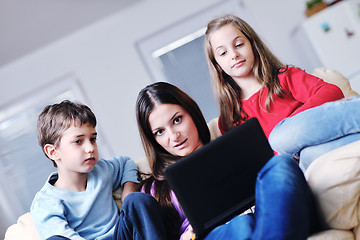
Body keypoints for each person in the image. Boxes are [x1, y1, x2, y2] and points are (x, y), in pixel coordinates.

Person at [130, 81, 325, 240]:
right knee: (241, 225)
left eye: (177, 120)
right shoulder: (153, 190)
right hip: (215, 235)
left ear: (192, 113)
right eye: (160, 132)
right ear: (153, 140)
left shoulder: (233, 147)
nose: (174, 136)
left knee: (281, 164)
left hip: (264, 213)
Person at [204, 14, 360, 171]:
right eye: (223, 53)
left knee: (279, 137)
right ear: (217, 64)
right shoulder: (229, 119)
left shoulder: (285, 77)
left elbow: (332, 92)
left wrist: (288, 125)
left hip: (321, 138)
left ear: (252, 44)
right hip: (302, 163)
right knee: (305, 154)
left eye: (238, 44)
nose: (233, 55)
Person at [30, 100, 140, 240]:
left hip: (123, 235)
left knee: (138, 200)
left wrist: (129, 189)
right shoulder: (45, 202)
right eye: (78, 141)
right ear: (53, 152)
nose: (90, 148)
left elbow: (126, 162)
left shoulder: (102, 170)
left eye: (93, 139)